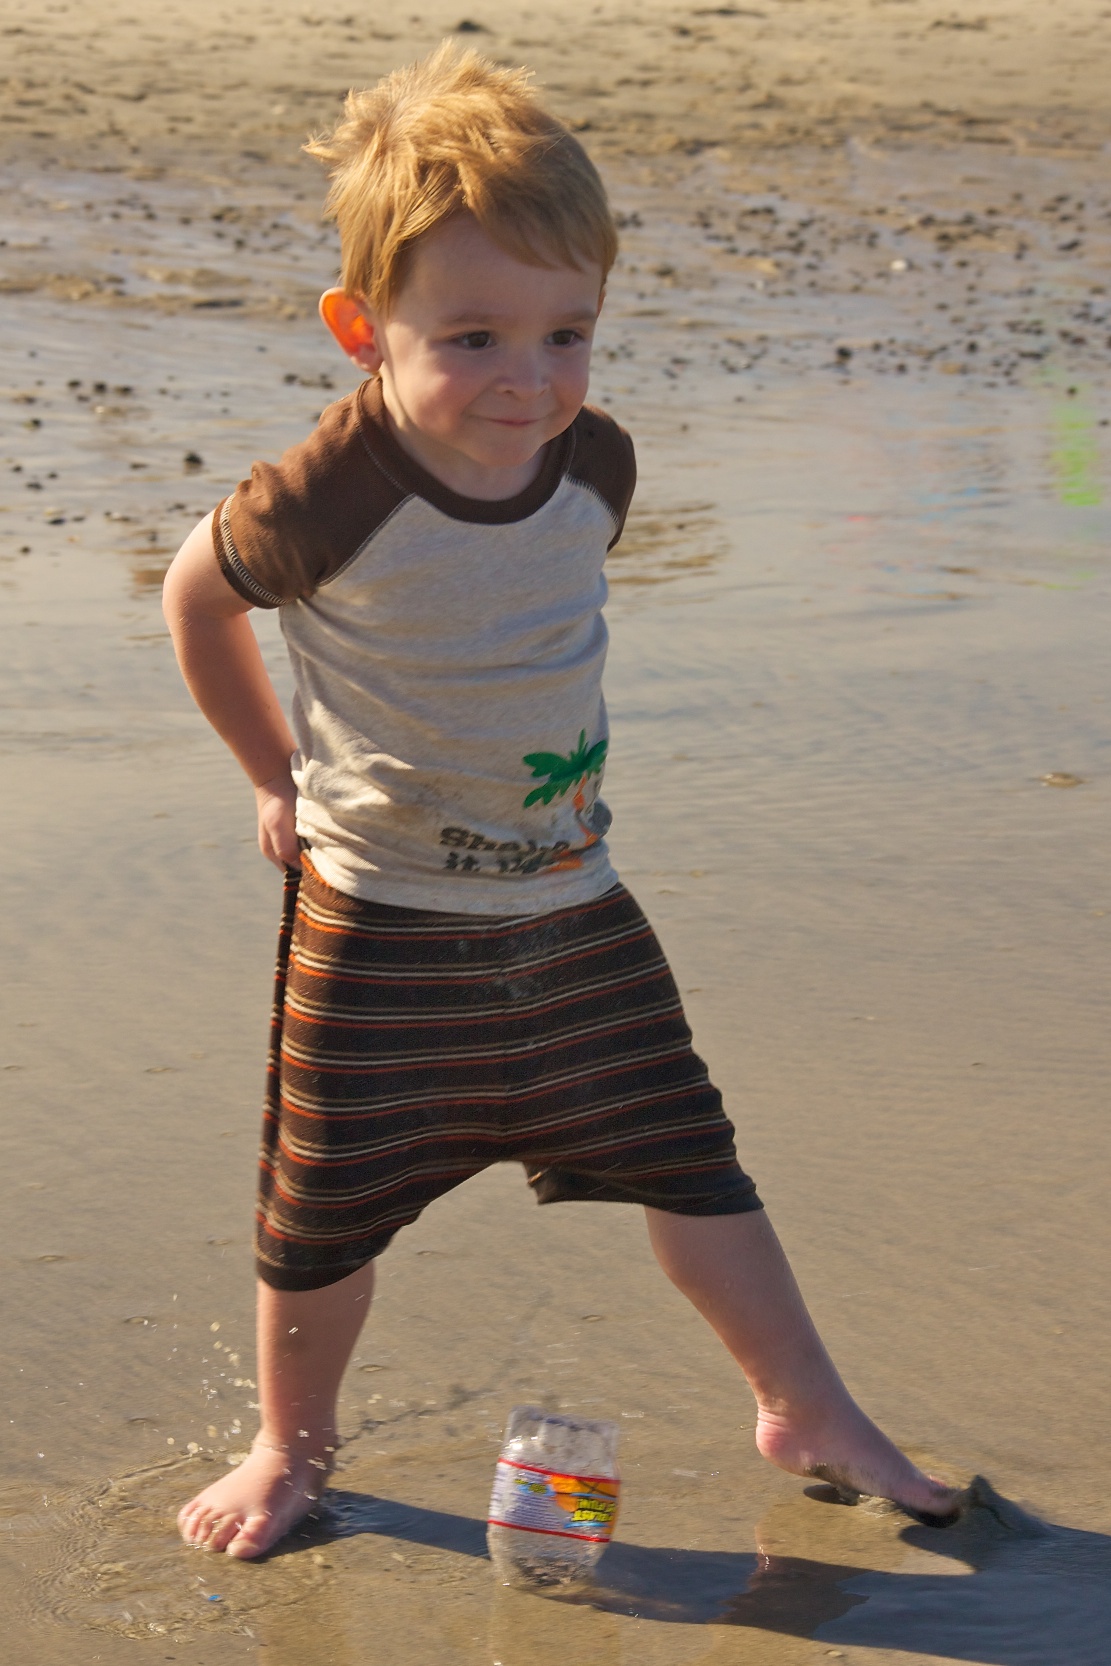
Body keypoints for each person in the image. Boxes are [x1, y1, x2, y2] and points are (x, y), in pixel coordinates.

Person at [163, 43, 962, 1560]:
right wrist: (273, 775)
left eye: (566, 332)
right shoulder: (328, 494)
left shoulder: (594, 467)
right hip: (379, 923)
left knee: (692, 1158)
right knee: (319, 1210)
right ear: (363, 330)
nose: (527, 378)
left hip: (573, 906)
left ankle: (804, 1406)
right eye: (472, 336)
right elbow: (194, 600)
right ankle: (290, 1446)